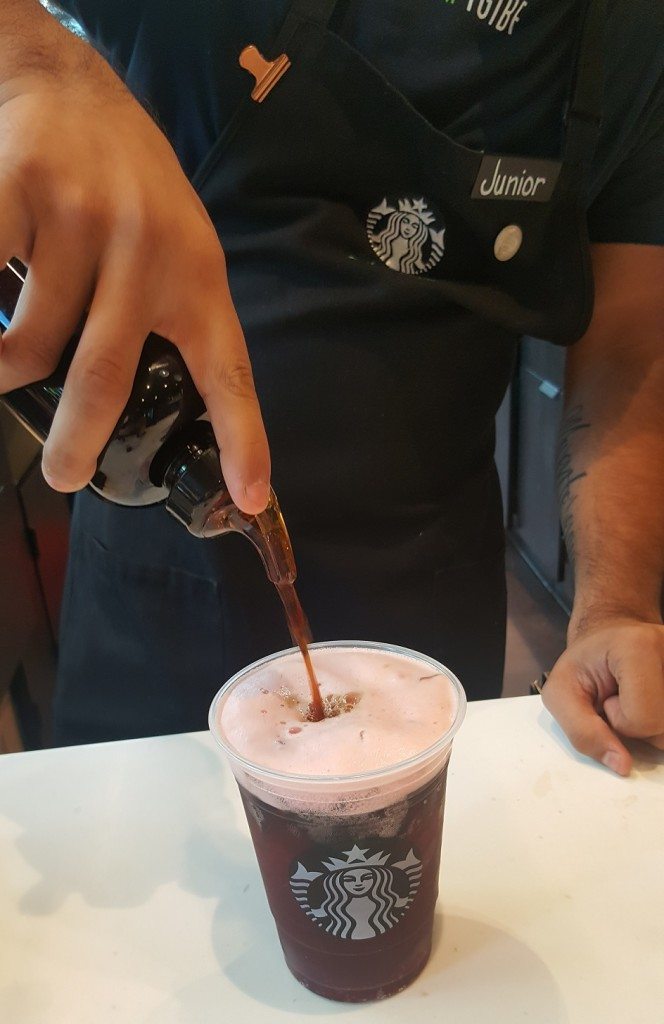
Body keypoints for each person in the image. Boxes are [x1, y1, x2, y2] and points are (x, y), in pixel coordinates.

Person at [0, 0, 662, 773]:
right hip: (155, 574)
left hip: (430, 588)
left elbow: (632, 336)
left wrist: (615, 604)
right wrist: (31, 63)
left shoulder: (631, 32)